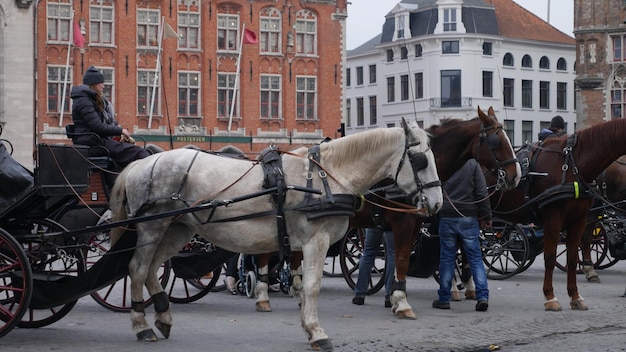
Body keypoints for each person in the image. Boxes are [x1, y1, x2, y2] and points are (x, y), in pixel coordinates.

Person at [432, 158, 491, 312]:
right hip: (468, 217)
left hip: (447, 216)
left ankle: (444, 298)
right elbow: (481, 191)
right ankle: (482, 296)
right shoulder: (472, 164)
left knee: (446, 259)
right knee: (475, 259)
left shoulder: (444, 163)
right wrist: (486, 215)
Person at [70, 66, 151, 168]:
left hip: (95, 140)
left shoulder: (87, 99)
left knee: (133, 150)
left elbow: (101, 122)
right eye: (101, 83)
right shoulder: (84, 101)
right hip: (93, 142)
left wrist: (117, 127)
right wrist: (120, 131)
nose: (103, 86)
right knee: (139, 152)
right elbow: (97, 126)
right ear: (94, 84)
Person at [352, 227, 395, 308]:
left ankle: (360, 294)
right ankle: (389, 295)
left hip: (375, 219)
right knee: (392, 255)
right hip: (391, 221)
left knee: (368, 253)